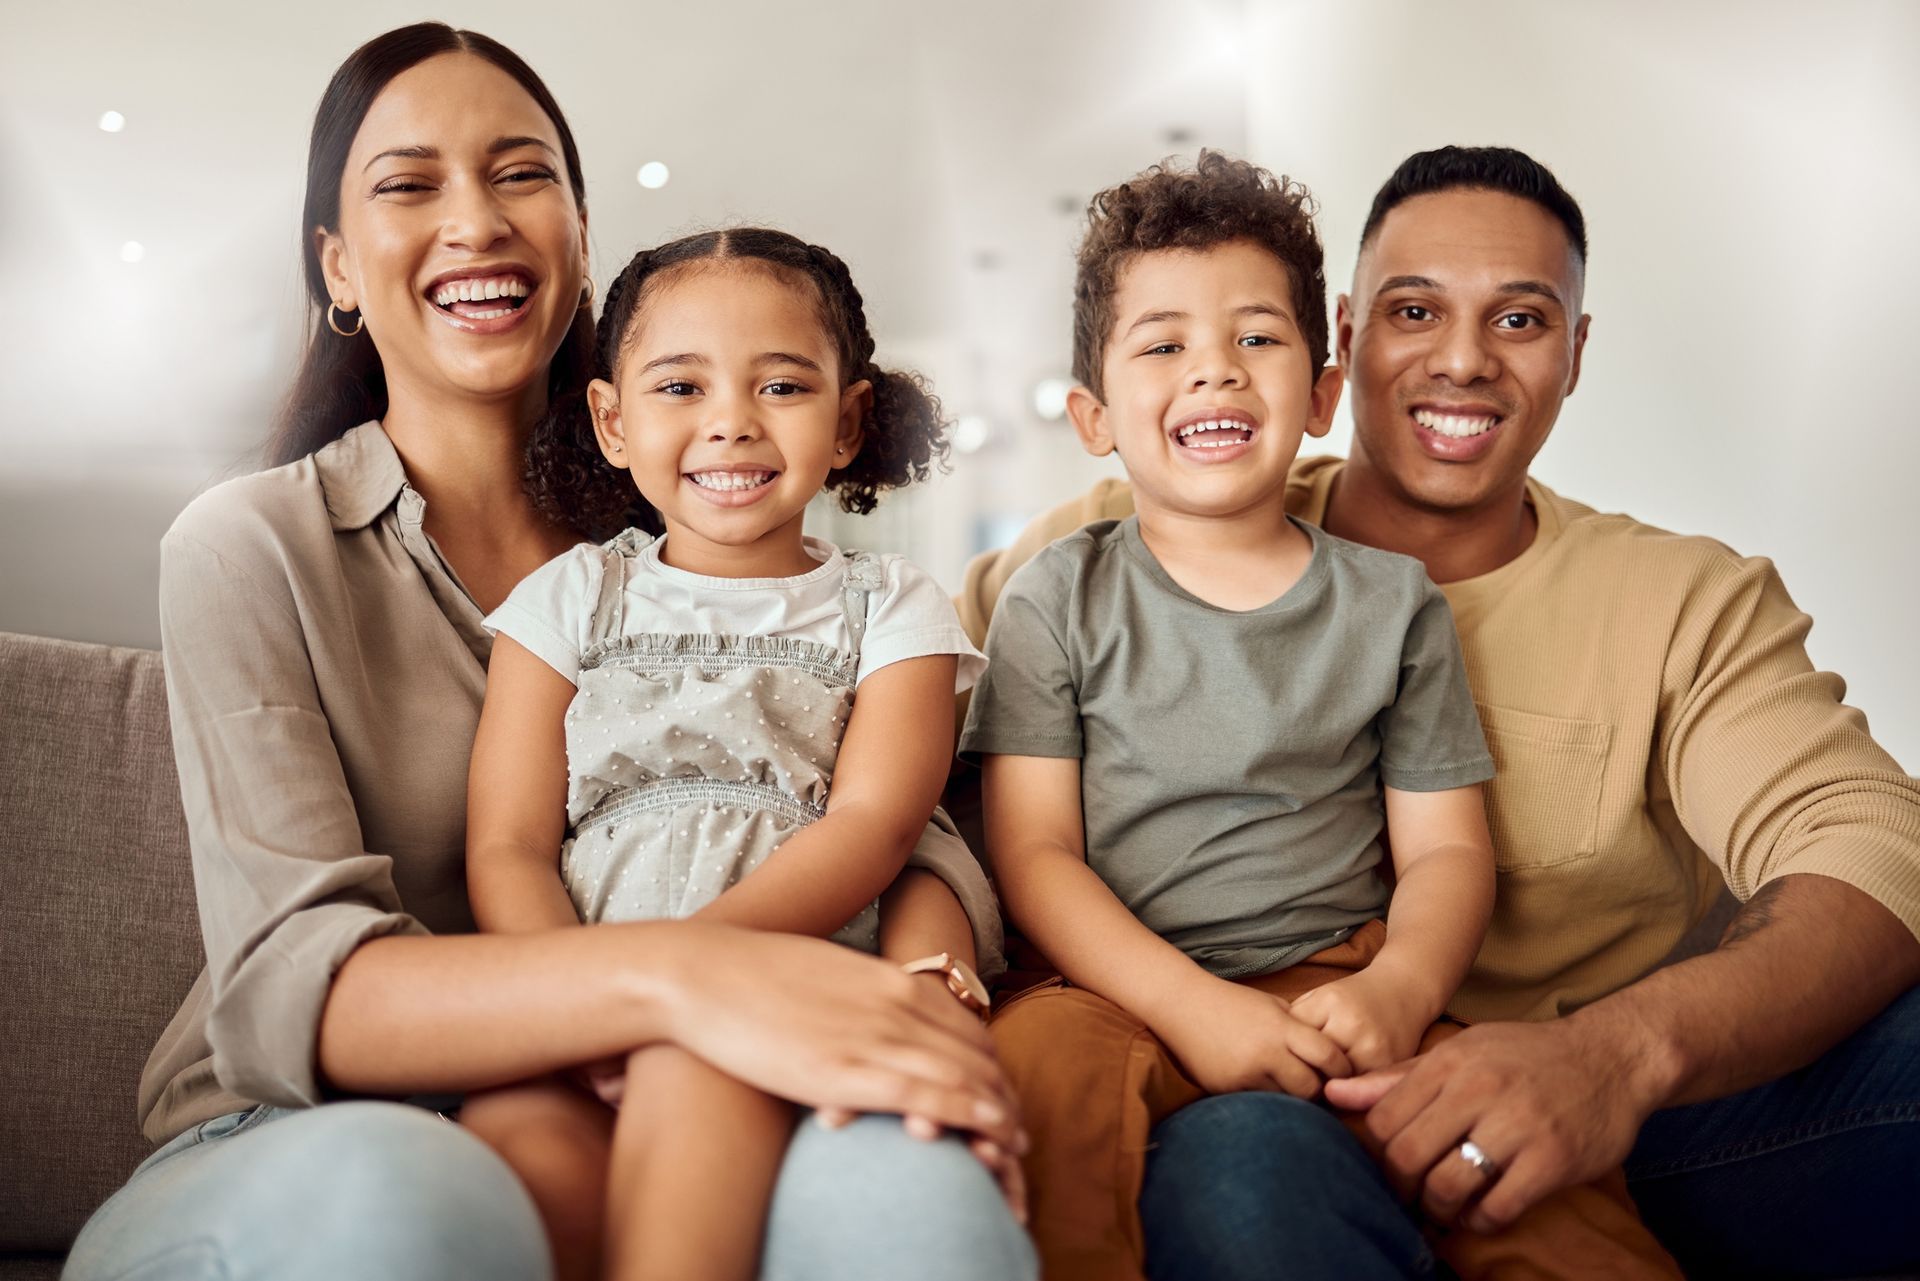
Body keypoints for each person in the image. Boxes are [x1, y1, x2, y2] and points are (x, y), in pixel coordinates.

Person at [65, 24, 1035, 1281]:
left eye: (520, 174)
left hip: (718, 1060)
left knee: (920, 1214)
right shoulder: (251, 547)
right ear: (339, 268)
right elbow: (300, 982)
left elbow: (899, 823)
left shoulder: (705, 532)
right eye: (410, 185)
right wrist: (684, 983)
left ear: (581, 239)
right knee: (416, 1204)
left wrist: (917, 990)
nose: (475, 221)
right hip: (319, 1126)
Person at [960, 145, 1920, 1279]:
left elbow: (1874, 846)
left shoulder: (1673, 599)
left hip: (1580, 1093)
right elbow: (915, 755)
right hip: (1211, 1073)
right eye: (1417, 311)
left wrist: (1614, 1057)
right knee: (1236, 1165)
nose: (1463, 360)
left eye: (1520, 320)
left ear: (1575, 352)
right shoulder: (1086, 554)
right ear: (1355, 342)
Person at [459, 226, 1019, 1281]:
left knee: (692, 1079)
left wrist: (690, 975)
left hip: (782, 985)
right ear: (612, 422)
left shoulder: (890, 605)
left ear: (849, 421)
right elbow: (507, 845)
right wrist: (587, 1006)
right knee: (519, 1152)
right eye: (681, 388)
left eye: (782, 387)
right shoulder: (571, 598)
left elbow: (875, 825)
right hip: (571, 986)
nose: (731, 423)